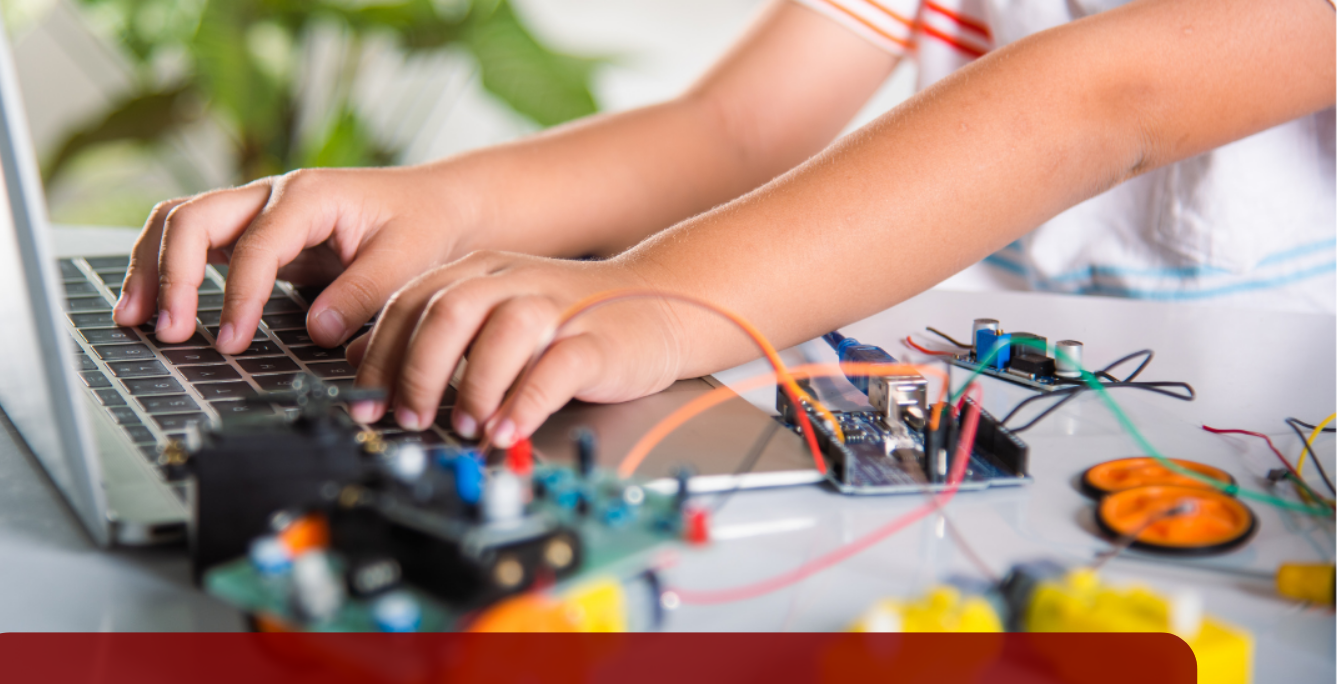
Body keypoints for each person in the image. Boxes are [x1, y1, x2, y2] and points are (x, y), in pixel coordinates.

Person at [113, 0, 1335, 448]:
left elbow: (1107, 100)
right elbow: (739, 128)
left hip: (1263, 454)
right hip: (1014, 435)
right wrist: (446, 203)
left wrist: (663, 290)